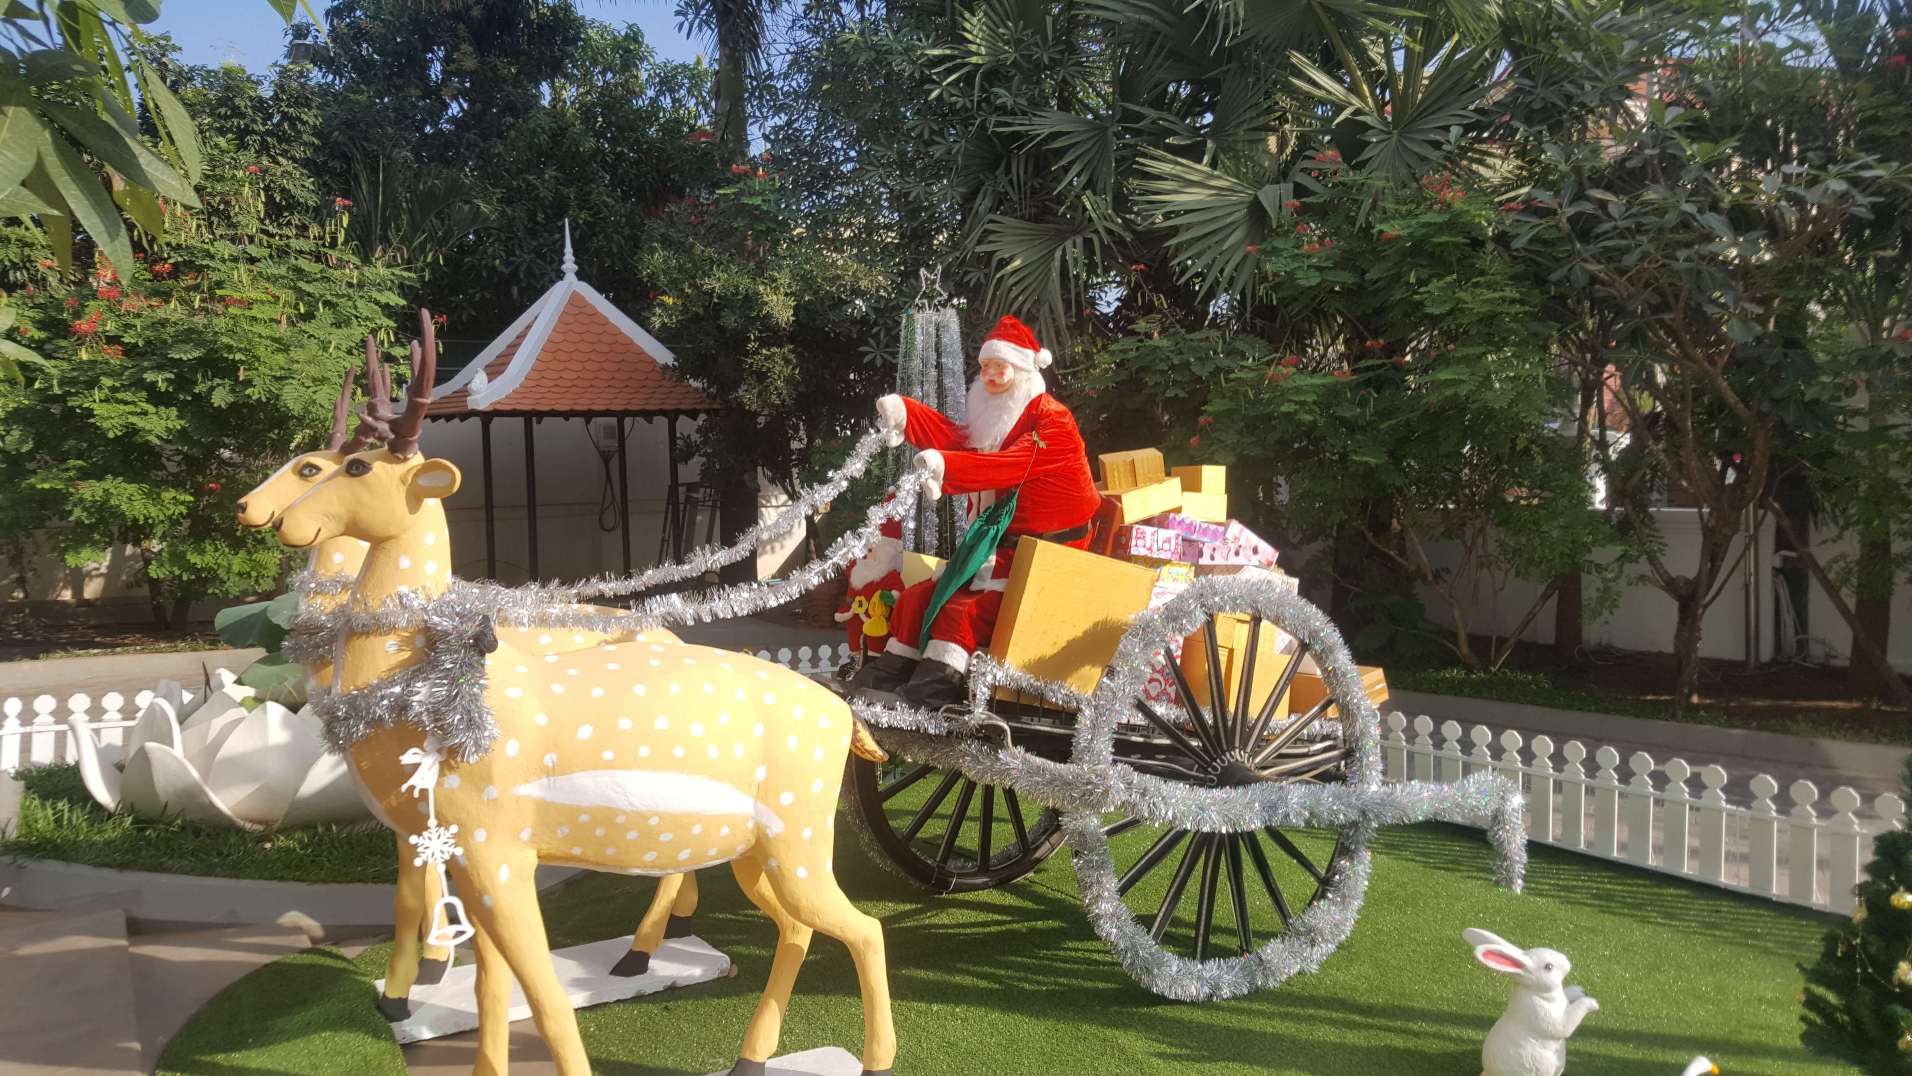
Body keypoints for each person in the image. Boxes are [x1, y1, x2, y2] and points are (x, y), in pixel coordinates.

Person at [849, 314, 1101, 708]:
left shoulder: (1053, 421)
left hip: (1044, 559)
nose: (991, 377)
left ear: (1023, 369)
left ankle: (927, 697)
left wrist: (947, 467)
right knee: (917, 599)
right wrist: (908, 415)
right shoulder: (997, 420)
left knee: (961, 611)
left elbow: (1013, 465)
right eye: (985, 368)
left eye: (1001, 368)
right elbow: (963, 445)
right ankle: (886, 680)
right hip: (991, 551)